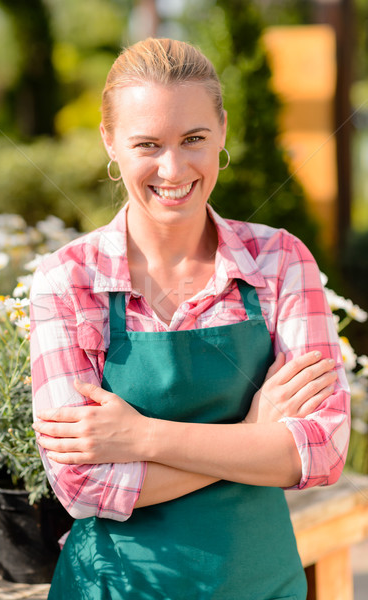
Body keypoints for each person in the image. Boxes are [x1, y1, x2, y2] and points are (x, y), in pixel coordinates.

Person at [30, 38, 350, 600]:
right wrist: (255, 436)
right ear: (111, 140)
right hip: (113, 589)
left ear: (222, 131)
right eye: (147, 143)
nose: (173, 168)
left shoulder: (279, 263)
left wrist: (143, 437)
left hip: (260, 586)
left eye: (194, 139)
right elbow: (83, 486)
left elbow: (322, 450)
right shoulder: (68, 280)